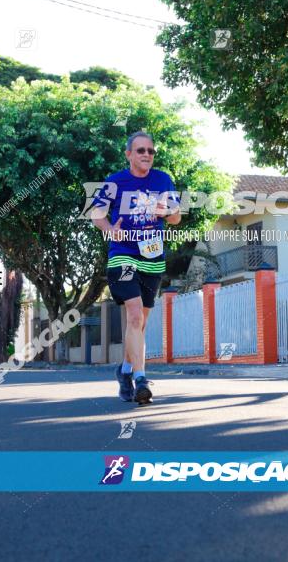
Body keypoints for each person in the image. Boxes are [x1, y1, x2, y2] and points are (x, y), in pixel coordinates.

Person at [92, 131, 181, 404]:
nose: (146, 155)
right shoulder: (115, 181)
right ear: (129, 154)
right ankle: (141, 379)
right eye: (140, 150)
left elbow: (176, 217)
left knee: (140, 322)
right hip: (123, 254)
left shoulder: (163, 180)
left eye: (150, 151)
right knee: (133, 316)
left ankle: (125, 370)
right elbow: (97, 214)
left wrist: (165, 212)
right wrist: (110, 230)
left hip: (152, 256)